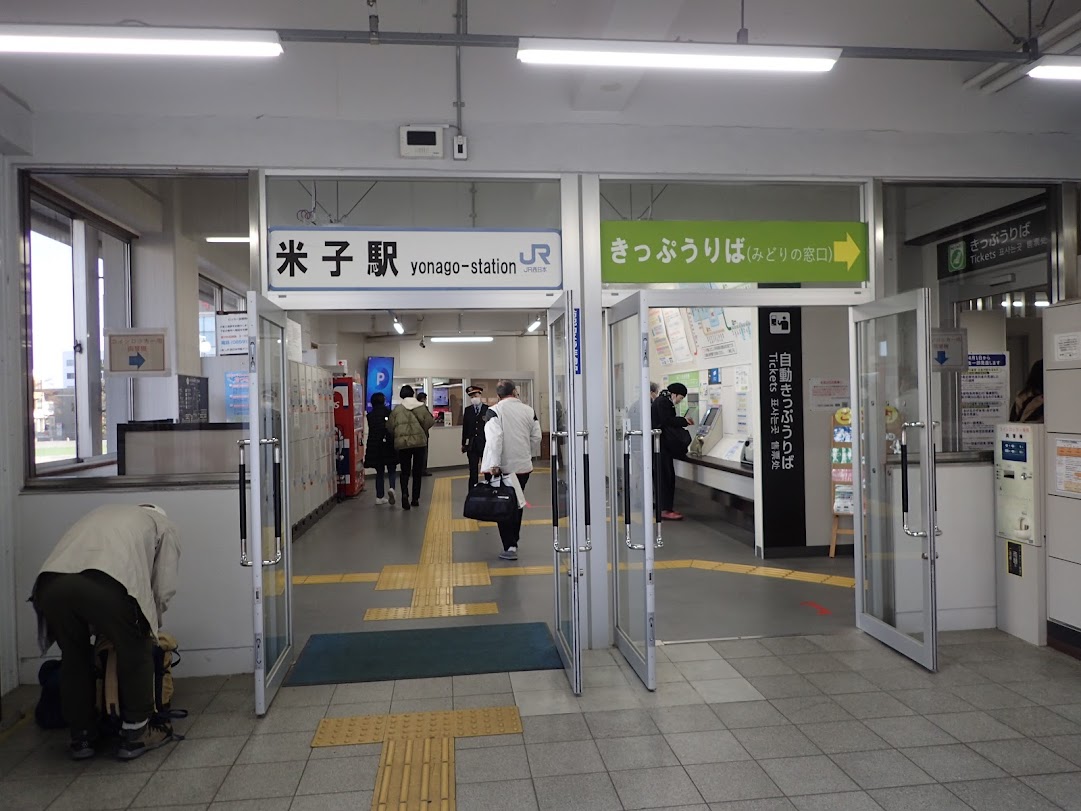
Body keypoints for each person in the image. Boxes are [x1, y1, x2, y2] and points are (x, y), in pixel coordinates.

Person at [29, 503, 181, 761]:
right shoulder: (162, 524)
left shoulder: (103, 513)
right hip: (107, 582)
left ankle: (82, 736)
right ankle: (136, 733)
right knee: (136, 649)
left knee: (74, 656)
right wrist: (150, 624)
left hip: (50, 585)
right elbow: (163, 588)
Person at [481, 379, 542, 561]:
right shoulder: (529, 410)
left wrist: (494, 464)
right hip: (523, 468)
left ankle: (509, 545)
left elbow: (495, 439)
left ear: (498, 395)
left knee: (502, 504)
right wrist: (524, 451)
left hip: (501, 469)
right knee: (517, 502)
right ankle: (514, 539)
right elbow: (537, 437)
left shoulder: (493, 411)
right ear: (515, 391)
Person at [651, 382, 693, 521]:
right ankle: (665, 509)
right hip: (661, 447)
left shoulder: (660, 400)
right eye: (680, 398)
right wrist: (684, 421)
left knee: (665, 477)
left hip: (660, 446)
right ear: (674, 394)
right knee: (665, 478)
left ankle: (665, 508)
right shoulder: (664, 402)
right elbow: (667, 421)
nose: (679, 401)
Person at [389, 385, 435, 510]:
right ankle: (415, 499)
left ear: (401, 395)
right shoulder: (421, 407)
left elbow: (390, 426)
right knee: (417, 471)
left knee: (405, 471)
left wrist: (399, 435)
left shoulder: (397, 410)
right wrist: (421, 431)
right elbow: (430, 421)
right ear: (413, 394)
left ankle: (405, 494)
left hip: (403, 444)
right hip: (419, 443)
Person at [365, 392, 397, 506]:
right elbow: (392, 428)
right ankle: (392, 488)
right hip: (388, 444)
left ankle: (379, 497)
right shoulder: (389, 413)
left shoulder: (370, 415)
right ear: (383, 401)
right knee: (392, 468)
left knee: (379, 471)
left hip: (375, 445)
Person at [461, 385, 489, 489]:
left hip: (485, 444)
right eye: (472, 397)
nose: (474, 399)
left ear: (480, 395)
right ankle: (472, 491)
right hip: (472, 445)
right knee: (473, 470)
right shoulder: (468, 410)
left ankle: (489, 490)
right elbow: (465, 428)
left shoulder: (488, 409)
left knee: (487, 470)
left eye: (475, 396)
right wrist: (463, 444)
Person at [416, 391, 434, 477]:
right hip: (423, 434)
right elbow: (430, 420)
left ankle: (417, 470)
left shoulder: (413, 408)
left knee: (416, 454)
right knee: (424, 453)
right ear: (423, 399)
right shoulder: (424, 408)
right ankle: (423, 470)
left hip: (415, 434)